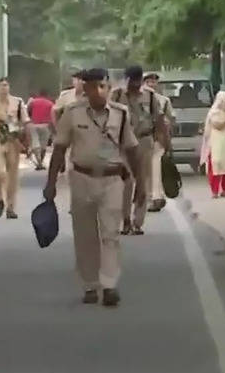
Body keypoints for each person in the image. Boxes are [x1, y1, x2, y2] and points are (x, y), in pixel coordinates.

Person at [44, 68, 145, 307]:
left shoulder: (120, 114)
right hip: (81, 178)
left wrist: (141, 183)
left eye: (103, 86)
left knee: (111, 234)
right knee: (85, 234)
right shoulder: (72, 113)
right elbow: (60, 148)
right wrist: (51, 183)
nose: (99, 91)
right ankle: (90, 284)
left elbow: (131, 149)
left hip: (112, 179)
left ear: (109, 88)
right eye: (93, 87)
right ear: (85, 89)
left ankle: (109, 285)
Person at [110, 66, 167, 235]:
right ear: (125, 79)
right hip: (122, 143)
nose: (134, 85)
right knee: (124, 183)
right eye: (131, 81)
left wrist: (163, 140)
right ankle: (125, 220)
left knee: (143, 183)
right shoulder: (117, 95)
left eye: (137, 81)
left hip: (144, 141)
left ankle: (137, 222)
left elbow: (159, 119)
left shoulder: (149, 96)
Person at [0, 78, 29, 219]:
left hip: (13, 140)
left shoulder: (18, 103)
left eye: (6, 85)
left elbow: (25, 122)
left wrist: (27, 141)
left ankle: (10, 208)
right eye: (1, 85)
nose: (4, 88)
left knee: (12, 176)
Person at [143, 72, 174, 212]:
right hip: (141, 139)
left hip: (157, 139)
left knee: (156, 168)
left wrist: (167, 138)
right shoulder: (137, 100)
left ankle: (156, 197)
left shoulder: (164, 100)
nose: (151, 84)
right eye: (148, 81)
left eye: (153, 82)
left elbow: (170, 118)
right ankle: (147, 197)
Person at [201, 90, 225, 198]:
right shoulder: (214, 113)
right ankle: (215, 191)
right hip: (215, 142)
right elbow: (218, 125)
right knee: (216, 165)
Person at [26, 89, 55, 170]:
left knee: (35, 144)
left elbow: (28, 111)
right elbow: (53, 115)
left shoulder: (33, 102)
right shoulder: (50, 103)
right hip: (46, 125)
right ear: (47, 95)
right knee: (43, 145)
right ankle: (41, 162)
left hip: (34, 124)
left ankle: (39, 162)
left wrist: (30, 120)